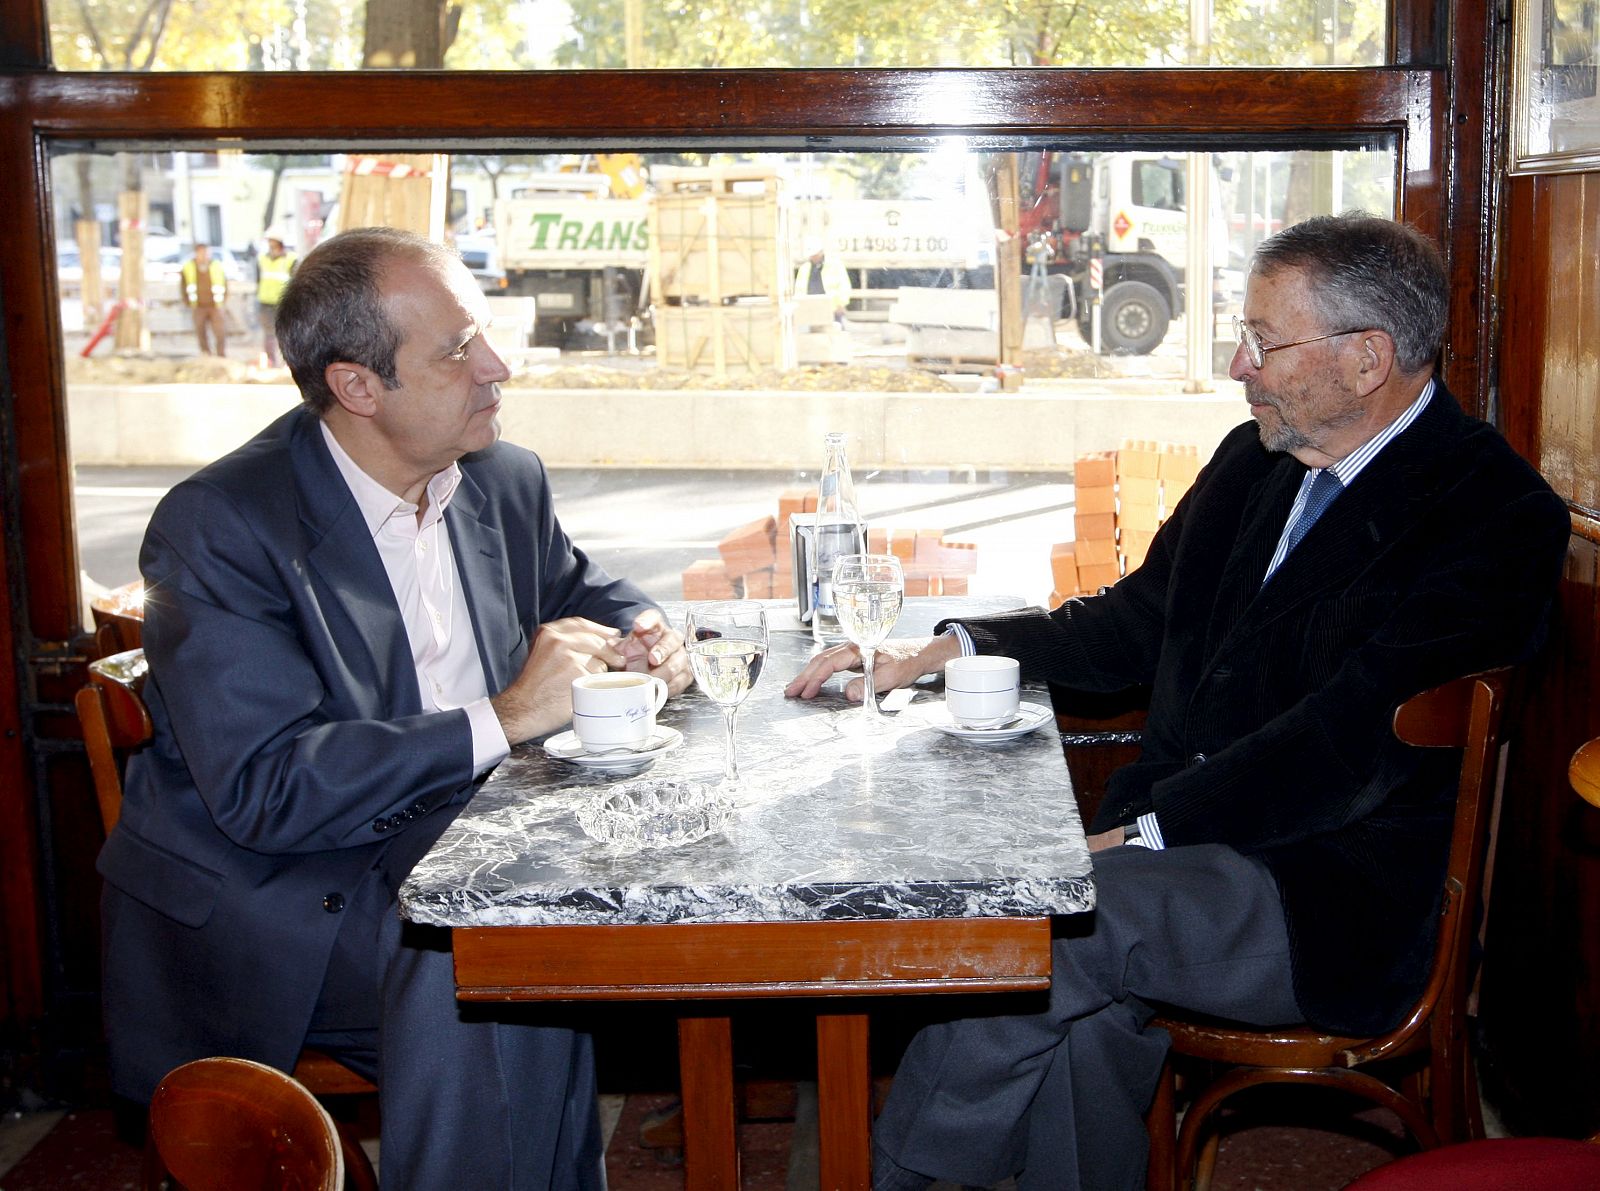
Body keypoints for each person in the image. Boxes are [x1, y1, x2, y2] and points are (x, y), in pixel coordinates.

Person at [785, 213, 1571, 1190]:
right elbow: (1129, 623)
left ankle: (896, 1181)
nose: (1239, 367)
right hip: (1190, 844)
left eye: (1262, 340)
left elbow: (1346, 744)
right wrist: (946, 648)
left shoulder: (1492, 513)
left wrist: (1147, 834)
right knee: (1075, 989)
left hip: (1327, 890)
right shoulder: (1256, 460)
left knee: (1049, 923)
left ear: (1366, 359)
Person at [99, 226, 692, 1190]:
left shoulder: (500, 478)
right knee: (494, 966)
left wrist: (648, 630)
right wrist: (506, 713)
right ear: (358, 387)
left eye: (485, 336)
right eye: (459, 351)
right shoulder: (223, 525)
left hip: (456, 847)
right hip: (289, 896)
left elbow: (586, 591)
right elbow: (268, 790)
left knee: (535, 935)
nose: (497, 367)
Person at [179, 242, 227, 356]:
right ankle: (206, 353)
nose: (204, 255)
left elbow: (225, 283)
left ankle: (221, 354)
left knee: (220, 332)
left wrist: (223, 299)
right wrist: (187, 302)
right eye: (202, 253)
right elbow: (183, 286)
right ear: (196, 253)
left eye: (206, 253)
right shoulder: (188, 267)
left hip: (215, 305)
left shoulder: (216, 265)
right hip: (198, 306)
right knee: (201, 332)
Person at [255, 234, 297, 367]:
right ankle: (271, 362)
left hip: (284, 303)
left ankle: (288, 363)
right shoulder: (262, 259)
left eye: (272, 241)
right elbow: (258, 279)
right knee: (269, 334)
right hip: (265, 302)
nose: (270, 244)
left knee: (286, 333)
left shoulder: (291, 259)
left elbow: (297, 281)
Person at [795, 237, 851, 325]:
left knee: (834, 336)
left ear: (821, 252)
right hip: (810, 310)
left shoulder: (835, 266)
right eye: (812, 255)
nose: (813, 257)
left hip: (832, 310)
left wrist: (841, 304)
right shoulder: (804, 269)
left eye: (815, 255)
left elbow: (844, 286)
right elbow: (799, 290)